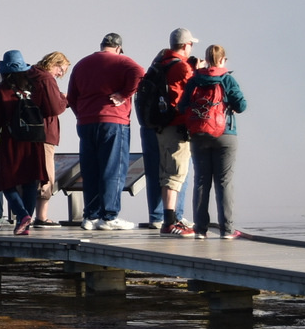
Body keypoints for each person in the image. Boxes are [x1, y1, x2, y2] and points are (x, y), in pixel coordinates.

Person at [65, 33, 144, 231]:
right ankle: (109, 216)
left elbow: (72, 97)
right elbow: (140, 72)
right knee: (113, 168)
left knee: (90, 170)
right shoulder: (122, 61)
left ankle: (90, 216)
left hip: (86, 123)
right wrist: (125, 94)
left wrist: (81, 114)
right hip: (113, 120)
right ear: (118, 47)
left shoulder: (82, 64)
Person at [175, 44, 247, 240]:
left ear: (206, 59)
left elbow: (182, 107)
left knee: (201, 181)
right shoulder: (227, 79)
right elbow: (241, 106)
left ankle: (200, 229)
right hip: (225, 134)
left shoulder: (195, 80)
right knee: (224, 183)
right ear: (223, 60)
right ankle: (227, 230)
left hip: (199, 135)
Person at [144, 28, 198, 236]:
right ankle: (170, 222)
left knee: (167, 172)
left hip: (161, 125)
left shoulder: (160, 63)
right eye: (191, 45)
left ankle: (168, 219)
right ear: (186, 45)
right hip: (177, 125)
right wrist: (196, 71)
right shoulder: (181, 67)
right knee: (176, 174)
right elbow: (191, 91)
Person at [0, 52, 47, 235]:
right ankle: (25, 224)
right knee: (31, 182)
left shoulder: (2, 88)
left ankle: (22, 215)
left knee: (6, 181)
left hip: (11, 140)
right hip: (34, 141)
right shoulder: (35, 86)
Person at [24, 51, 71, 225]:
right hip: (44, 132)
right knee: (45, 174)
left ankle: (24, 214)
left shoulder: (30, 75)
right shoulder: (47, 79)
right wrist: (65, 100)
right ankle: (41, 216)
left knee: (29, 173)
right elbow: (54, 107)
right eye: (62, 70)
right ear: (55, 64)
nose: (60, 75)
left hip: (28, 132)